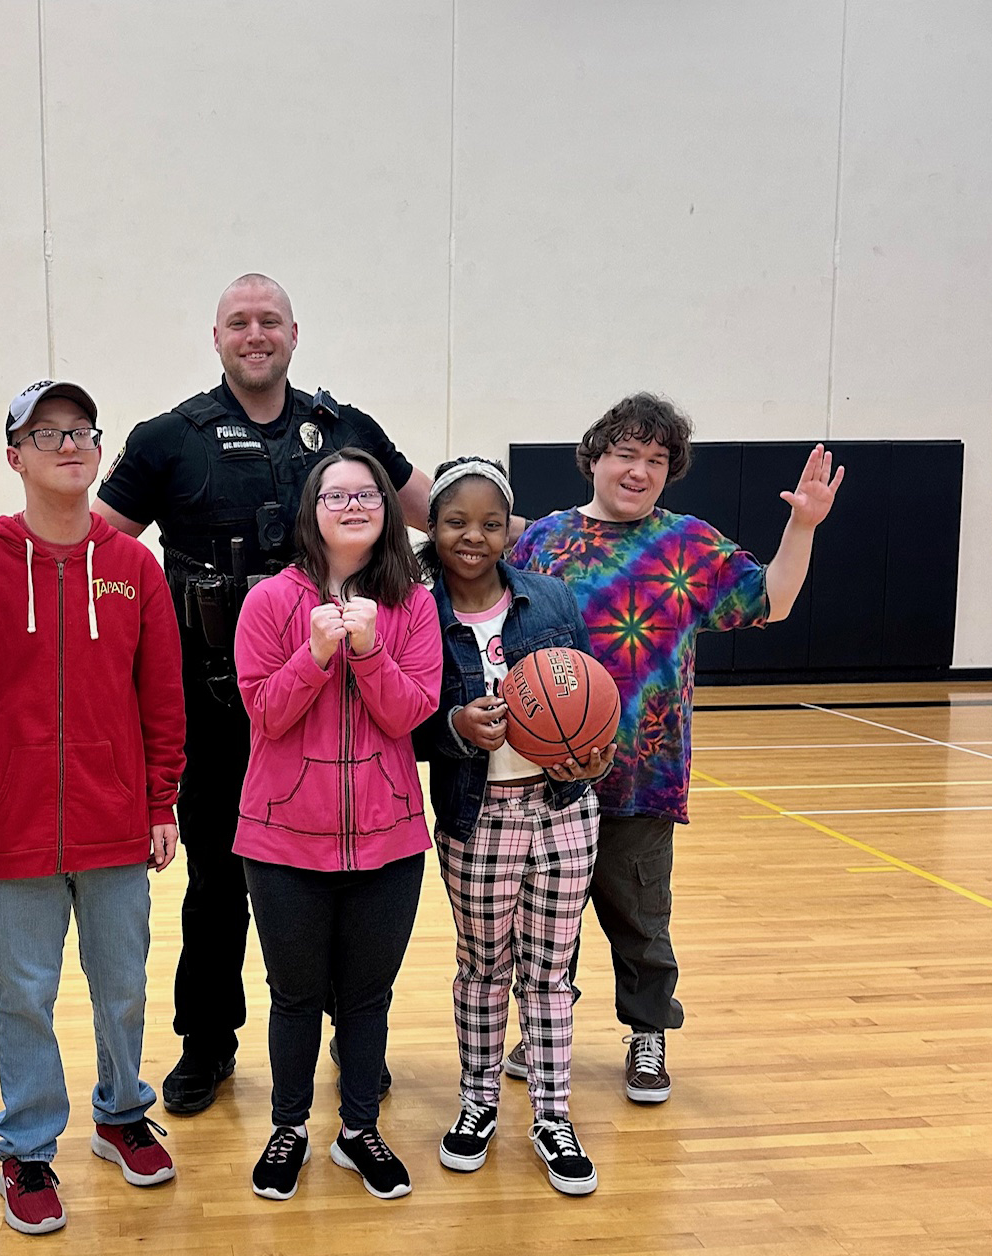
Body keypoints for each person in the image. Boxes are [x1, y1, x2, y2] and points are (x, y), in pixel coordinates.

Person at [92, 274, 438, 1115]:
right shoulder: (167, 439)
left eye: (269, 321)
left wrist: (537, 537)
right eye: (239, 323)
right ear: (215, 337)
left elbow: (441, 509)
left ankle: (354, 1044)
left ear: (294, 333)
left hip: (340, 710)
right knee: (216, 888)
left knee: (347, 881)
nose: (256, 334)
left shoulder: (346, 430)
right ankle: (206, 1044)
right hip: (216, 710)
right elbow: (95, 548)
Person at [0, 380, 186, 1236]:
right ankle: (26, 1147)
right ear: (13, 454)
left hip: (116, 819)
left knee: (122, 987)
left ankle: (121, 1112)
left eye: (82, 432)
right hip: (16, 821)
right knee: (24, 993)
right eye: (47, 433)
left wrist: (160, 798)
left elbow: (160, 696)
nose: (69, 446)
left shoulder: (134, 568)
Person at [508, 393, 844, 1103]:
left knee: (639, 919)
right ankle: (544, 1027)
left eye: (656, 460)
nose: (639, 470)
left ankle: (647, 1033)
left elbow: (771, 600)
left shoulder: (686, 543)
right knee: (545, 919)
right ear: (593, 457)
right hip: (547, 775)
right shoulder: (541, 541)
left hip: (642, 773)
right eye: (626, 453)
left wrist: (801, 524)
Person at [233, 449, 441, 1201]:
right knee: (292, 996)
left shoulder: (413, 604)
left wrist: (370, 649)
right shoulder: (267, 603)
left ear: (386, 508)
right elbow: (264, 716)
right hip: (283, 838)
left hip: (388, 839)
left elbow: (409, 715)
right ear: (310, 511)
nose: (352, 505)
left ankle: (359, 1131)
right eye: (335, 495)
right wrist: (316, 654)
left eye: (366, 495)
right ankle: (288, 1127)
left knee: (365, 998)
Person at [415, 458, 614, 1195]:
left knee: (551, 971)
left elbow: (588, 701)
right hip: (477, 818)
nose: (473, 536)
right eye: (456, 521)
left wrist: (588, 759)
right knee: (484, 967)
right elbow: (403, 725)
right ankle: (477, 1101)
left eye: (490, 522)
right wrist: (456, 727)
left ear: (509, 530)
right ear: (432, 528)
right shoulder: (416, 611)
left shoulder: (551, 597)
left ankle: (553, 1113)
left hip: (562, 811)